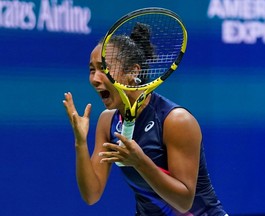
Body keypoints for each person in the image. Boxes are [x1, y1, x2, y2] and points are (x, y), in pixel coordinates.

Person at [63, 23, 228, 216]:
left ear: (133, 72)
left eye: (103, 68)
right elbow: (92, 194)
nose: (95, 79)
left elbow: (184, 203)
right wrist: (80, 143)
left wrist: (140, 162)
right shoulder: (107, 122)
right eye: (92, 70)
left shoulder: (175, 121)